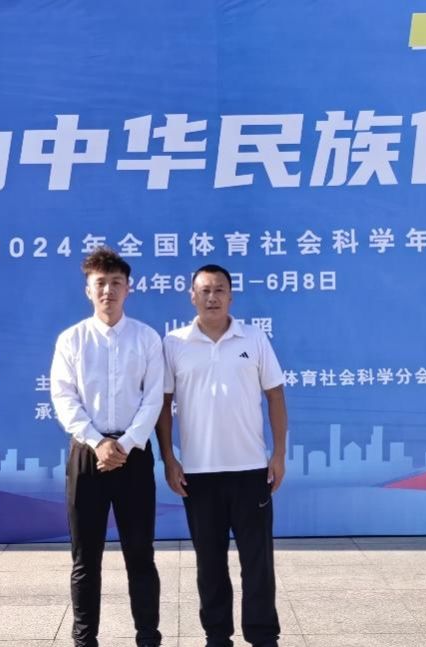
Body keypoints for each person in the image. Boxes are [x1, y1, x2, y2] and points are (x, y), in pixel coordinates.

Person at [156, 264, 288, 647]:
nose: (212, 297)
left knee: (257, 562)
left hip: (251, 470)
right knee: (209, 562)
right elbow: (163, 406)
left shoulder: (254, 338)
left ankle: (263, 636)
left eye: (219, 290)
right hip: (198, 473)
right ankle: (216, 636)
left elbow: (275, 395)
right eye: (205, 290)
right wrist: (169, 459)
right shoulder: (174, 343)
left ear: (230, 296)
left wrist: (278, 455)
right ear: (192, 296)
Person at [50, 247, 164, 647]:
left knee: (140, 555)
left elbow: (153, 399)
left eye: (116, 283)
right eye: (100, 283)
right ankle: (85, 640)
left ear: (128, 288)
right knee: (85, 559)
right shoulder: (72, 340)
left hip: (134, 456)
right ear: (88, 289)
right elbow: (64, 398)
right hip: (87, 454)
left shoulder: (146, 338)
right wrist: (99, 443)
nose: (108, 291)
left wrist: (126, 444)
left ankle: (148, 637)